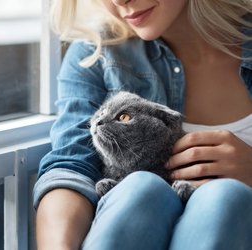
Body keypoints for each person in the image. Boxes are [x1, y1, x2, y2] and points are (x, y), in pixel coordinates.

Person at [33, 0, 252, 249]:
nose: (119, 1)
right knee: (142, 187)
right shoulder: (95, 53)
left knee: (225, 197)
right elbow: (70, 169)